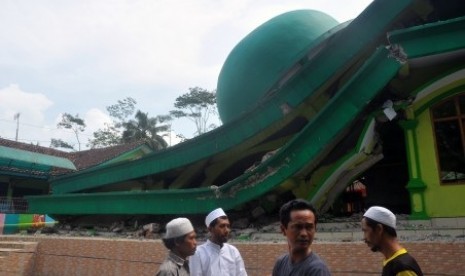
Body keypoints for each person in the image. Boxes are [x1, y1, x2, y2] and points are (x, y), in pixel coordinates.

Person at [272, 199, 331, 276]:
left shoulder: (317, 270)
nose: (304, 234)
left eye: (309, 227)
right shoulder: (281, 263)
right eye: (297, 227)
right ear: (283, 230)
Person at [361, 206, 423, 276]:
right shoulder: (391, 262)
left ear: (379, 229)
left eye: (365, 231)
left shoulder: (402, 267)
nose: (364, 238)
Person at [189, 207, 247, 276]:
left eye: (228, 226)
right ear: (210, 229)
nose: (226, 230)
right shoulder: (198, 253)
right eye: (222, 226)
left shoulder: (233, 251)